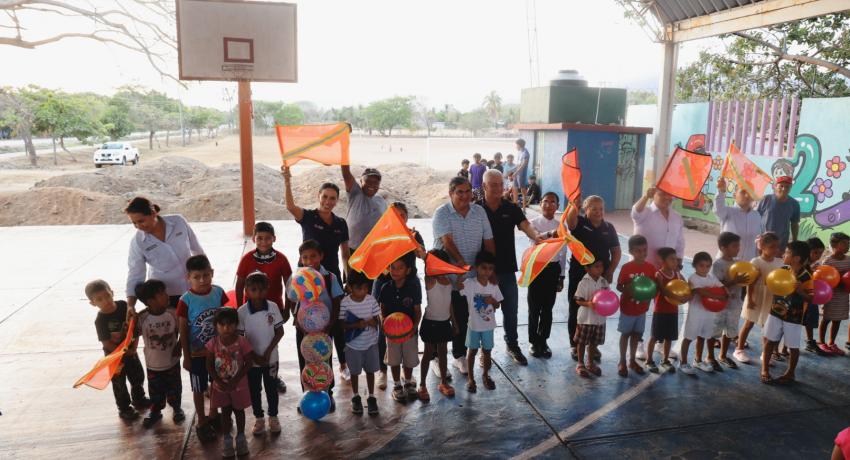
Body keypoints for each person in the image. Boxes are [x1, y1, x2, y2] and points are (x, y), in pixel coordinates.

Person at [283, 167, 351, 383]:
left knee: (333, 323)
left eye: (332, 198)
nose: (328, 201)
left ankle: (340, 365)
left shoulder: (341, 224)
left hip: (330, 277)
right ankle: (308, 374)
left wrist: (346, 277)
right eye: (324, 197)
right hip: (306, 280)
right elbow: (290, 207)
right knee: (305, 323)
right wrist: (287, 181)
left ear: (337, 200)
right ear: (318, 197)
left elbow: (345, 254)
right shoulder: (309, 217)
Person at [432, 176, 495, 376]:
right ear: (451, 193)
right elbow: (447, 241)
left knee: (463, 316)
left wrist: (491, 270)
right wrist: (461, 263)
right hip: (445, 278)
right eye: (460, 192)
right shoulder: (442, 213)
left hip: (471, 279)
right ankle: (434, 357)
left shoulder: (479, 212)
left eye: (468, 191)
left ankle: (459, 356)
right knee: (440, 318)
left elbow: (489, 240)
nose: (465, 195)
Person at [479, 169, 542, 365]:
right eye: (493, 184)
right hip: (483, 273)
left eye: (501, 184)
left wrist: (537, 236)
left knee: (511, 310)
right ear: (484, 186)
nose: (498, 188)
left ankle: (512, 344)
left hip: (507, 270)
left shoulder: (511, 208)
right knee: (484, 313)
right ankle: (484, 350)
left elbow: (525, 225)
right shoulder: (476, 210)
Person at [371, 202, 425, 390]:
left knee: (409, 323)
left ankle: (407, 370)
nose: (399, 218)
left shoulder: (414, 234)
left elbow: (422, 255)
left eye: (402, 215)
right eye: (395, 215)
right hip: (384, 282)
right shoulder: (381, 235)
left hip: (409, 283)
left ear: (407, 218)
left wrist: (416, 245)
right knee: (383, 324)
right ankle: (383, 370)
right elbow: (373, 258)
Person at [176, 254, 229, 442]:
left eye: (206, 275)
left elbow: (225, 320)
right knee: (198, 387)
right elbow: (182, 329)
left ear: (212, 273)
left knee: (216, 383)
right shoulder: (185, 300)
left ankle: (214, 414)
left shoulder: (218, 293)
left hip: (218, 352)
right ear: (188, 278)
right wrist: (186, 355)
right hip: (196, 354)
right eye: (197, 277)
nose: (202, 280)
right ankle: (201, 420)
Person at [287, 240, 344, 413]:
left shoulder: (329, 277)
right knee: (304, 360)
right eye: (305, 257)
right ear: (300, 259)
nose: (309, 260)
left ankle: (328, 393)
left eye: (313, 256)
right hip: (303, 329)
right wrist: (297, 319)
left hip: (324, 329)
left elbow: (336, 302)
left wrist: (330, 325)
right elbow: (291, 300)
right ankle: (307, 394)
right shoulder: (297, 278)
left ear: (321, 256)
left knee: (324, 360)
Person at [234, 222, 292, 394]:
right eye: (260, 238)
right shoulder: (247, 259)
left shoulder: (281, 259)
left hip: (273, 309)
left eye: (268, 238)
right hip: (250, 310)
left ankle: (273, 376)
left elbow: (290, 285)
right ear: (254, 239)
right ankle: (250, 374)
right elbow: (239, 285)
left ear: (274, 239)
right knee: (250, 341)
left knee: (272, 343)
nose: (264, 242)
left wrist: (287, 309)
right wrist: (239, 310)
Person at [632, 186, 684, 360]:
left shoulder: (676, 217)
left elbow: (679, 241)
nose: (667, 198)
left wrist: (679, 261)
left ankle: (661, 342)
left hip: (667, 269)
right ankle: (638, 343)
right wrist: (645, 196)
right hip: (645, 266)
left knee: (664, 305)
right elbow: (635, 212)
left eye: (670, 194)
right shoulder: (645, 212)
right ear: (654, 194)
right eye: (662, 194)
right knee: (641, 304)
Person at [567, 195, 621, 361]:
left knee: (598, 310)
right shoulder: (581, 223)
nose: (598, 212)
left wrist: (610, 271)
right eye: (594, 208)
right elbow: (570, 222)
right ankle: (576, 345)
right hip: (580, 274)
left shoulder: (609, 228)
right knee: (577, 309)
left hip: (601, 277)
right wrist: (573, 206)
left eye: (601, 209)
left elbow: (616, 252)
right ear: (585, 209)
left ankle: (592, 346)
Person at [86, 279, 149, 420]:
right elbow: (106, 342)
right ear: (93, 303)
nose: (106, 301)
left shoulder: (124, 306)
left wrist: (133, 347)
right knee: (119, 383)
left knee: (137, 375)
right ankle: (124, 408)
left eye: (107, 296)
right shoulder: (100, 320)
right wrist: (123, 352)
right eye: (99, 299)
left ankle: (139, 398)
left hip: (131, 351)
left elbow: (134, 327)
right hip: (114, 357)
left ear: (112, 293)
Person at [125, 196, 204, 309]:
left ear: (153, 213)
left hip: (193, 287)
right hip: (166, 295)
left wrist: (205, 279)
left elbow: (197, 249)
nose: (138, 226)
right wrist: (130, 305)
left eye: (141, 221)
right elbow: (135, 274)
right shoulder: (138, 242)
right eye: (134, 223)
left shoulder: (178, 221)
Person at [236, 272, 284, 436]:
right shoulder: (242, 312)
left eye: (262, 289)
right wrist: (254, 356)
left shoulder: (273, 307)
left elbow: (279, 332)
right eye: (254, 289)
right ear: (247, 291)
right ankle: (259, 418)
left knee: (271, 388)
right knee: (254, 390)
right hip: (251, 361)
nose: (258, 293)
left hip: (271, 359)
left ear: (267, 289)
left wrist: (268, 351)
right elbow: (240, 339)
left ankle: (273, 416)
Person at [761, 240, 812, 384]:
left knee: (793, 347)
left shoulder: (806, 276)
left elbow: (811, 298)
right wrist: (770, 281)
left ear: (796, 258)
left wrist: (800, 291)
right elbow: (770, 284)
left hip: (793, 317)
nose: (783, 254)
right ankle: (764, 369)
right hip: (776, 312)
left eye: (787, 252)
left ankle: (790, 373)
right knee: (769, 341)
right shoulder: (782, 269)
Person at [134, 279, 184, 428]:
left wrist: (180, 345)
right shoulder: (142, 317)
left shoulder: (173, 313)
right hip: (153, 364)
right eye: (161, 294)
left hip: (172, 362)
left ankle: (176, 408)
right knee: (155, 390)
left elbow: (183, 330)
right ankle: (155, 411)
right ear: (150, 301)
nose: (167, 296)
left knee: (175, 387)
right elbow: (133, 334)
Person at [206, 308, 254, 458]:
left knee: (239, 411)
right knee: (225, 412)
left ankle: (240, 438)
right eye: (222, 324)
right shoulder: (212, 343)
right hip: (220, 386)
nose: (226, 328)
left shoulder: (242, 341)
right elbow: (209, 365)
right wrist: (218, 381)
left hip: (238, 385)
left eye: (230, 324)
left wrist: (235, 380)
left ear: (236, 324)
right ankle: (227, 440)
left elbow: (249, 362)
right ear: (216, 326)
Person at [527, 192, 566, 358]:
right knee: (534, 308)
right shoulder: (532, 223)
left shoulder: (562, 226)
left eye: (553, 202)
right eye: (545, 201)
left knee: (547, 309)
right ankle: (534, 342)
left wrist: (562, 276)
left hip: (553, 270)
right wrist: (552, 234)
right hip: (536, 268)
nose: (549, 205)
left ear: (557, 206)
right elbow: (536, 240)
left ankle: (543, 340)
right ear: (540, 204)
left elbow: (563, 253)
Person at [734, 232, 783, 364]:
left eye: (777, 247)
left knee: (767, 326)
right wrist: (749, 299)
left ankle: (765, 353)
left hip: (770, 297)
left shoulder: (779, 262)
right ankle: (739, 349)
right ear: (762, 246)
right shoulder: (756, 262)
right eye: (772, 247)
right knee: (749, 323)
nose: (775, 250)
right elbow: (751, 282)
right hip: (756, 296)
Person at [378, 258, 422, 403]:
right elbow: (382, 308)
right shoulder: (385, 287)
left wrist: (414, 328)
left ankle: (408, 382)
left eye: (400, 268)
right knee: (394, 360)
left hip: (409, 333)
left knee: (409, 360)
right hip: (391, 334)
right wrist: (383, 321)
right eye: (392, 267)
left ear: (408, 270)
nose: (395, 271)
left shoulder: (413, 287)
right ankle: (397, 385)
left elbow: (417, 311)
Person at [339, 271, 381, 415]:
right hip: (353, 346)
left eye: (365, 288)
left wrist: (371, 322)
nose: (363, 291)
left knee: (370, 371)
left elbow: (378, 320)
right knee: (355, 373)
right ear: (350, 287)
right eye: (359, 288)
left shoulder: (371, 300)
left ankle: (371, 397)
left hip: (371, 343)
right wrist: (356, 325)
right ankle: (356, 396)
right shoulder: (345, 303)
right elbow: (342, 325)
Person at [461, 251, 503, 392]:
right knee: (472, 351)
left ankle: (485, 375)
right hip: (473, 325)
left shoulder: (493, 285)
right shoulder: (469, 284)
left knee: (487, 351)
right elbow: (458, 287)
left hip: (488, 326)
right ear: (477, 267)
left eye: (490, 268)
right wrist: (460, 272)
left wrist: (492, 301)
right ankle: (471, 379)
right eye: (484, 268)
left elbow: (498, 305)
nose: (487, 272)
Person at [419, 249, 458, 399]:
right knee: (428, 353)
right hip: (431, 323)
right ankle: (422, 384)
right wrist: (423, 254)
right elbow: (426, 260)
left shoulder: (448, 280)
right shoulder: (430, 279)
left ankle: (443, 382)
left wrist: (454, 322)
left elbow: (450, 304)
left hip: (444, 322)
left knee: (443, 352)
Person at [679, 252, 726, 375]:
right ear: (694, 265)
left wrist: (726, 293)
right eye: (701, 266)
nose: (705, 269)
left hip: (709, 314)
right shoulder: (693, 278)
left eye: (707, 266)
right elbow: (701, 291)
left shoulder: (711, 277)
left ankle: (698, 360)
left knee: (702, 337)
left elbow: (721, 286)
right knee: (689, 338)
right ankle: (683, 362)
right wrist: (718, 296)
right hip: (696, 313)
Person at [615, 235, 656, 377]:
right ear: (631, 252)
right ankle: (622, 361)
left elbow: (653, 288)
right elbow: (619, 286)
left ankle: (632, 360)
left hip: (642, 310)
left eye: (645, 250)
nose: (642, 253)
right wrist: (631, 290)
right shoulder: (627, 268)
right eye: (638, 251)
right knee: (625, 334)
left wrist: (649, 296)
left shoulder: (650, 268)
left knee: (636, 335)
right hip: (627, 309)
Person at [646, 247, 689, 374]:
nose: (675, 262)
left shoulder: (677, 274)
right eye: (672, 259)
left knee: (669, 338)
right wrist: (677, 297)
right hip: (660, 311)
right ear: (662, 261)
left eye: (676, 259)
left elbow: (685, 287)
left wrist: (686, 297)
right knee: (655, 336)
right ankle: (649, 360)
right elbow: (664, 291)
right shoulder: (659, 274)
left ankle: (665, 360)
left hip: (673, 311)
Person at [711, 232, 748, 369]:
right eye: (734, 246)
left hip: (734, 304)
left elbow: (745, 281)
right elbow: (717, 285)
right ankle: (710, 356)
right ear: (723, 248)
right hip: (719, 304)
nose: (738, 248)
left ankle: (723, 355)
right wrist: (735, 281)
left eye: (738, 246)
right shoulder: (718, 264)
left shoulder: (738, 263)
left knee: (730, 331)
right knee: (714, 331)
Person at [573, 259, 609, 378]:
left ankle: (590, 363)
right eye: (596, 266)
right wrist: (588, 303)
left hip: (599, 319)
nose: (600, 269)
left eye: (601, 266)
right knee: (582, 342)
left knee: (594, 342)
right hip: (586, 319)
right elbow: (578, 300)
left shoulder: (604, 282)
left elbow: (608, 297)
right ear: (587, 269)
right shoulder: (584, 282)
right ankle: (580, 363)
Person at [715, 178, 762, 262]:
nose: (747, 195)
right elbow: (718, 209)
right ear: (734, 195)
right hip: (726, 263)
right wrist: (721, 191)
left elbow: (757, 242)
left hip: (748, 263)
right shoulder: (727, 212)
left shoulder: (757, 216)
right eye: (743, 192)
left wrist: (757, 261)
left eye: (750, 192)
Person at [819, 232, 850, 355]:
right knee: (826, 319)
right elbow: (823, 278)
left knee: (838, 320)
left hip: (843, 296)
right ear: (834, 245)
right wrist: (838, 279)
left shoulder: (848, 260)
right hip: (831, 296)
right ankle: (821, 342)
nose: (848, 246)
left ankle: (832, 343)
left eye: (849, 244)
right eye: (844, 243)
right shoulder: (828, 261)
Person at [757, 176, 800, 251]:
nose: (784, 189)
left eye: (787, 187)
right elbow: (755, 218)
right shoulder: (766, 199)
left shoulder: (794, 204)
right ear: (775, 186)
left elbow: (794, 224)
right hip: (764, 242)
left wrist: (795, 241)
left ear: (790, 188)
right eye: (781, 186)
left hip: (781, 244)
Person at [806, 237, 826, 354]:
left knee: (811, 319)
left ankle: (810, 342)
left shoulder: (814, 264)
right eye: (815, 253)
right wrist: (812, 271)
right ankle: (783, 348)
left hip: (811, 296)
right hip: (801, 297)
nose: (818, 256)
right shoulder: (801, 263)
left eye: (820, 253)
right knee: (795, 321)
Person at [508, 138, 530, 208]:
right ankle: (515, 206)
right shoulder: (519, 152)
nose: (516, 146)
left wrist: (516, 173)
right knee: (514, 189)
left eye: (516, 145)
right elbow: (517, 165)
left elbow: (523, 165)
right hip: (517, 174)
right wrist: (511, 171)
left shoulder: (526, 153)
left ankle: (524, 208)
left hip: (521, 174)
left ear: (519, 145)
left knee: (523, 191)